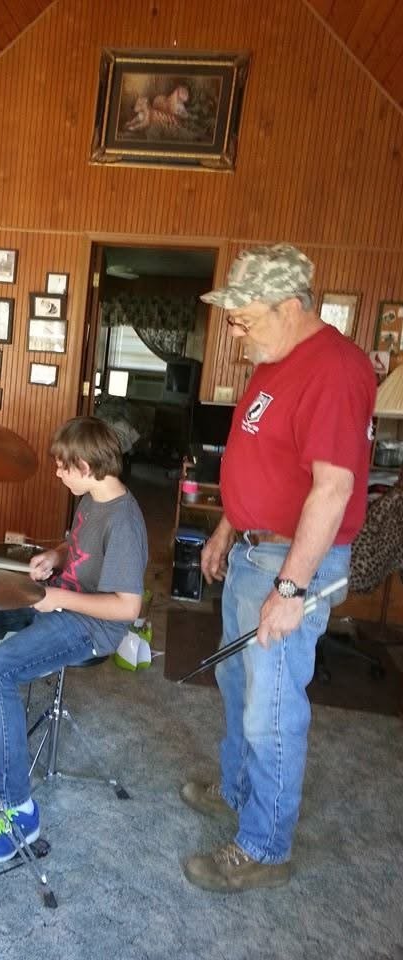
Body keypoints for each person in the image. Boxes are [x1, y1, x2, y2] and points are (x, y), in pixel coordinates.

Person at [180, 244, 376, 892]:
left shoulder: (335, 369)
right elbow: (259, 459)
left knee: (272, 707)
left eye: (243, 318)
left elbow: (332, 488)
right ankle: (238, 791)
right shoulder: (272, 362)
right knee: (239, 687)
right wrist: (226, 525)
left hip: (291, 563)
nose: (234, 332)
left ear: (290, 306)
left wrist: (291, 589)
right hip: (252, 550)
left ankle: (265, 846)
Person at [0, 416, 148, 862]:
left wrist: (55, 599)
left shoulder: (124, 521)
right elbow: (78, 547)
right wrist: (55, 554)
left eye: (64, 467)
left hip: (91, 626)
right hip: (62, 600)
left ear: (87, 466)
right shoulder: (91, 497)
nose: (58, 473)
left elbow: (128, 607)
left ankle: (19, 814)